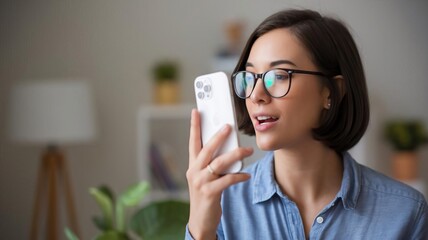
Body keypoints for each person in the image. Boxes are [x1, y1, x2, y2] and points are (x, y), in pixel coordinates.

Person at [185, 9, 428, 240]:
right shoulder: (222, 203)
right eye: (250, 77)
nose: (256, 94)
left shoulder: (405, 213)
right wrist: (201, 230)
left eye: (279, 75)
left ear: (331, 92)